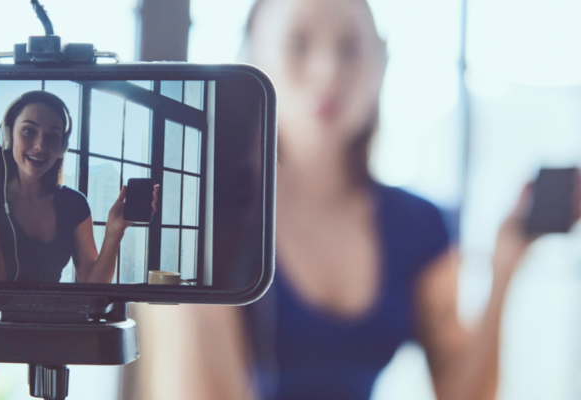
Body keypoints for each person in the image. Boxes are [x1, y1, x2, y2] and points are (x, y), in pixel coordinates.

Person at [126, 0, 581, 399]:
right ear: (253, 59)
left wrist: (505, 269)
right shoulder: (204, 224)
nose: (328, 71)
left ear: (381, 62)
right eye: (298, 43)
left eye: (350, 48)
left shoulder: (420, 224)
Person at [0, 90, 158, 283]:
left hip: (58, 325)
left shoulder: (74, 204)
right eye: (28, 131)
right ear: (7, 138)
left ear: (62, 147)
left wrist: (115, 231)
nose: (41, 145)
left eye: (52, 136)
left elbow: (93, 287)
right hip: (1, 330)